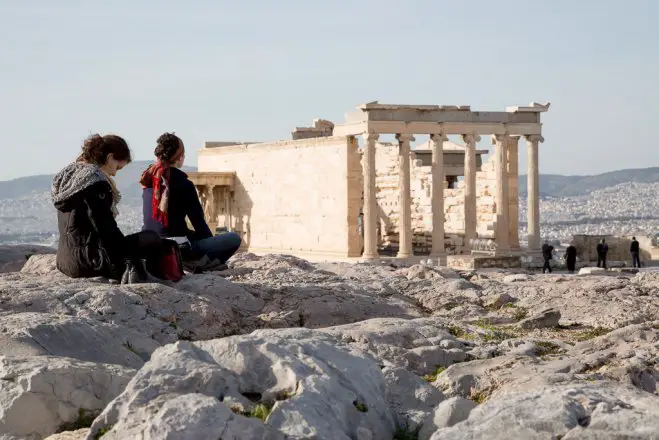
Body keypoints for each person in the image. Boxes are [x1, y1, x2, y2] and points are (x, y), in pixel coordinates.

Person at [52, 134, 162, 283]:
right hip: (89, 262)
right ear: (110, 158)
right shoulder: (95, 183)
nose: (114, 173)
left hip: (64, 260)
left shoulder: (70, 179)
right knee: (151, 238)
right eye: (117, 167)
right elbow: (105, 230)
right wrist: (127, 254)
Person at [140, 132, 241, 269]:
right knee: (233, 238)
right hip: (177, 247)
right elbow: (198, 222)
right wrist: (211, 242)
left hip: (151, 245)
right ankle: (200, 263)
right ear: (179, 157)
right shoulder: (184, 184)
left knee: (191, 235)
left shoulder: (148, 179)